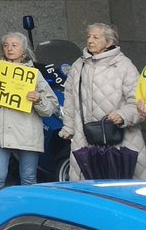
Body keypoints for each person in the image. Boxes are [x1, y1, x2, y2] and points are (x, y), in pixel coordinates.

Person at [0, 32, 58, 190]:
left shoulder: (34, 75)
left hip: (27, 134)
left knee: (28, 179)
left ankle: (29, 214)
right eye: (6, 45)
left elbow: (51, 108)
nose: (10, 49)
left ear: (24, 50)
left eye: (14, 45)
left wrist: (38, 99)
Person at [60, 23, 146, 179]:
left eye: (96, 37)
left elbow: (139, 102)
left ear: (109, 42)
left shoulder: (124, 66)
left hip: (121, 140)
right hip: (84, 138)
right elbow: (70, 98)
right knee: (88, 187)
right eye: (88, 37)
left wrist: (123, 115)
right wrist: (68, 127)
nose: (90, 41)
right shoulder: (79, 65)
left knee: (122, 188)